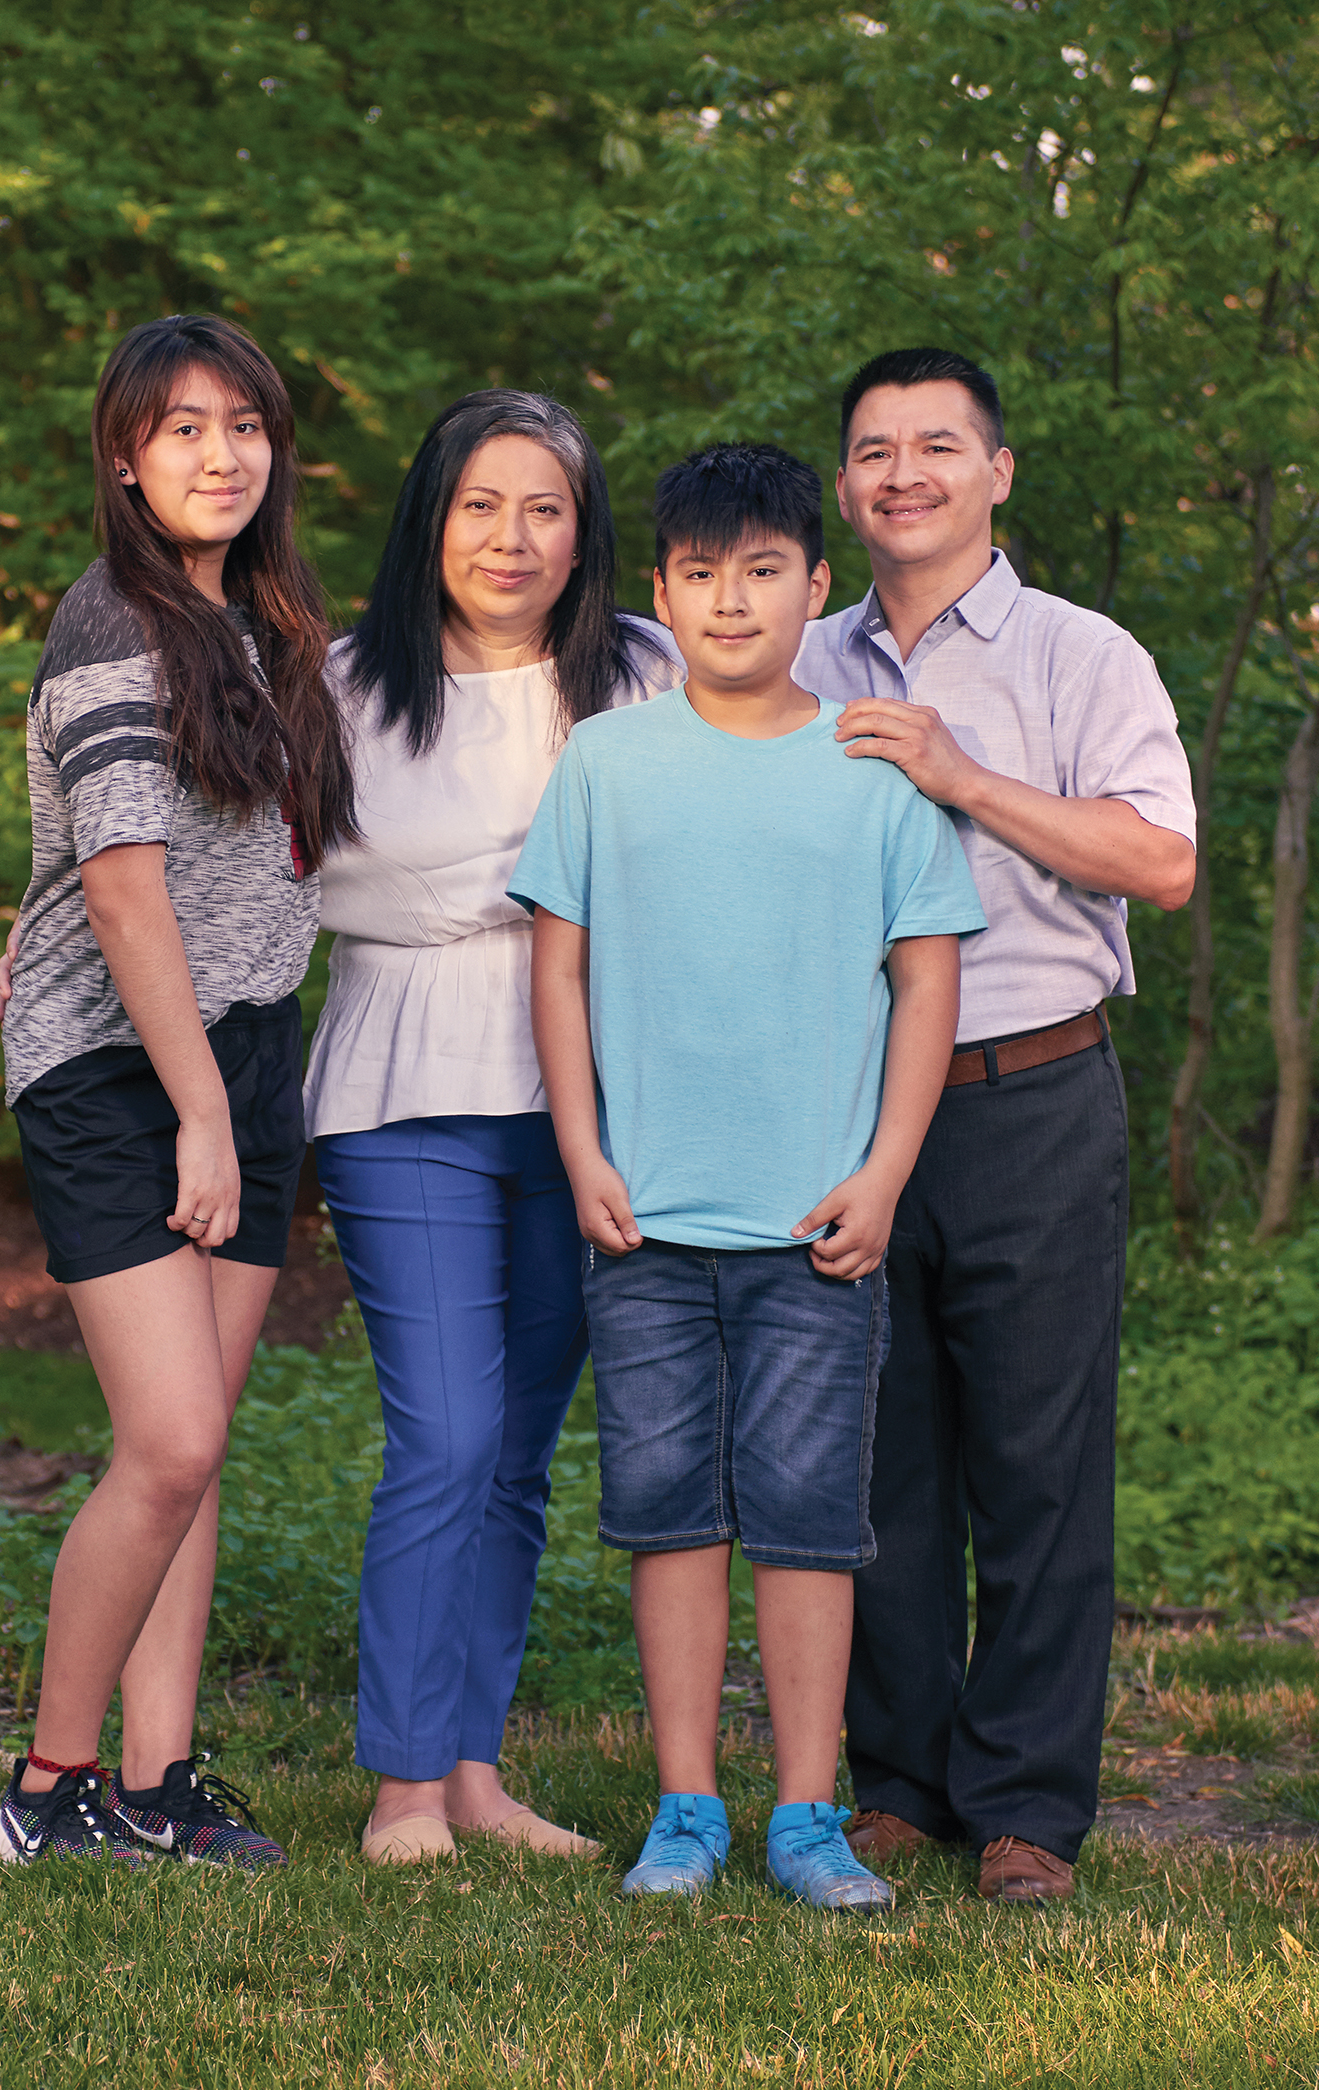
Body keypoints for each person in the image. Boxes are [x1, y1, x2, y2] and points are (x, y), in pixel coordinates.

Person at [511, 443, 983, 1911]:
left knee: (802, 1519)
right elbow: (557, 969)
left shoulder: (871, 765)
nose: (731, 600)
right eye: (701, 574)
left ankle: (802, 1811)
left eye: (761, 570)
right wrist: (581, 1149)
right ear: (660, 590)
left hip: (814, 1229)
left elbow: (923, 984)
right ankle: (684, 1803)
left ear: (812, 583)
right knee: (665, 1512)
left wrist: (886, 1169)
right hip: (643, 1218)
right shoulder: (603, 763)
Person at [798, 347, 1197, 1904]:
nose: (901, 472)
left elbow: (1157, 861)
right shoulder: (798, 651)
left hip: (1031, 1090)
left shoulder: (1079, 654)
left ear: (997, 472)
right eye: (873, 450)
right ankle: (896, 1783)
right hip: (842, 1104)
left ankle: (1028, 1801)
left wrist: (965, 776)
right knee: (875, 1462)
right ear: (844, 483)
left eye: (935, 447)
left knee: (1035, 1459)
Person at [0, 314, 358, 1871]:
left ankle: (159, 1778)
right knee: (171, 1441)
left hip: (247, 1043)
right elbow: (126, 892)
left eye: (245, 425)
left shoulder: (265, 624)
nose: (219, 453)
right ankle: (43, 1786)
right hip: (122, 1071)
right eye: (182, 427)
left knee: (196, 1445)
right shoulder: (111, 626)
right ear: (126, 459)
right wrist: (198, 1112)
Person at [303, 390, 681, 1866]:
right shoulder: (340, 684)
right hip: (401, 1092)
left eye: (544, 508)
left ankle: (472, 1769)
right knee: (444, 1437)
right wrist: (538, 884)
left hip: (588, 1104)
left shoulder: (642, 678)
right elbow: (324, 890)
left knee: (520, 1452)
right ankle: (398, 1783)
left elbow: (677, 867)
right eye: (480, 504)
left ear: (583, 535)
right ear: (430, 517)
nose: (510, 537)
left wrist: (499, 890)